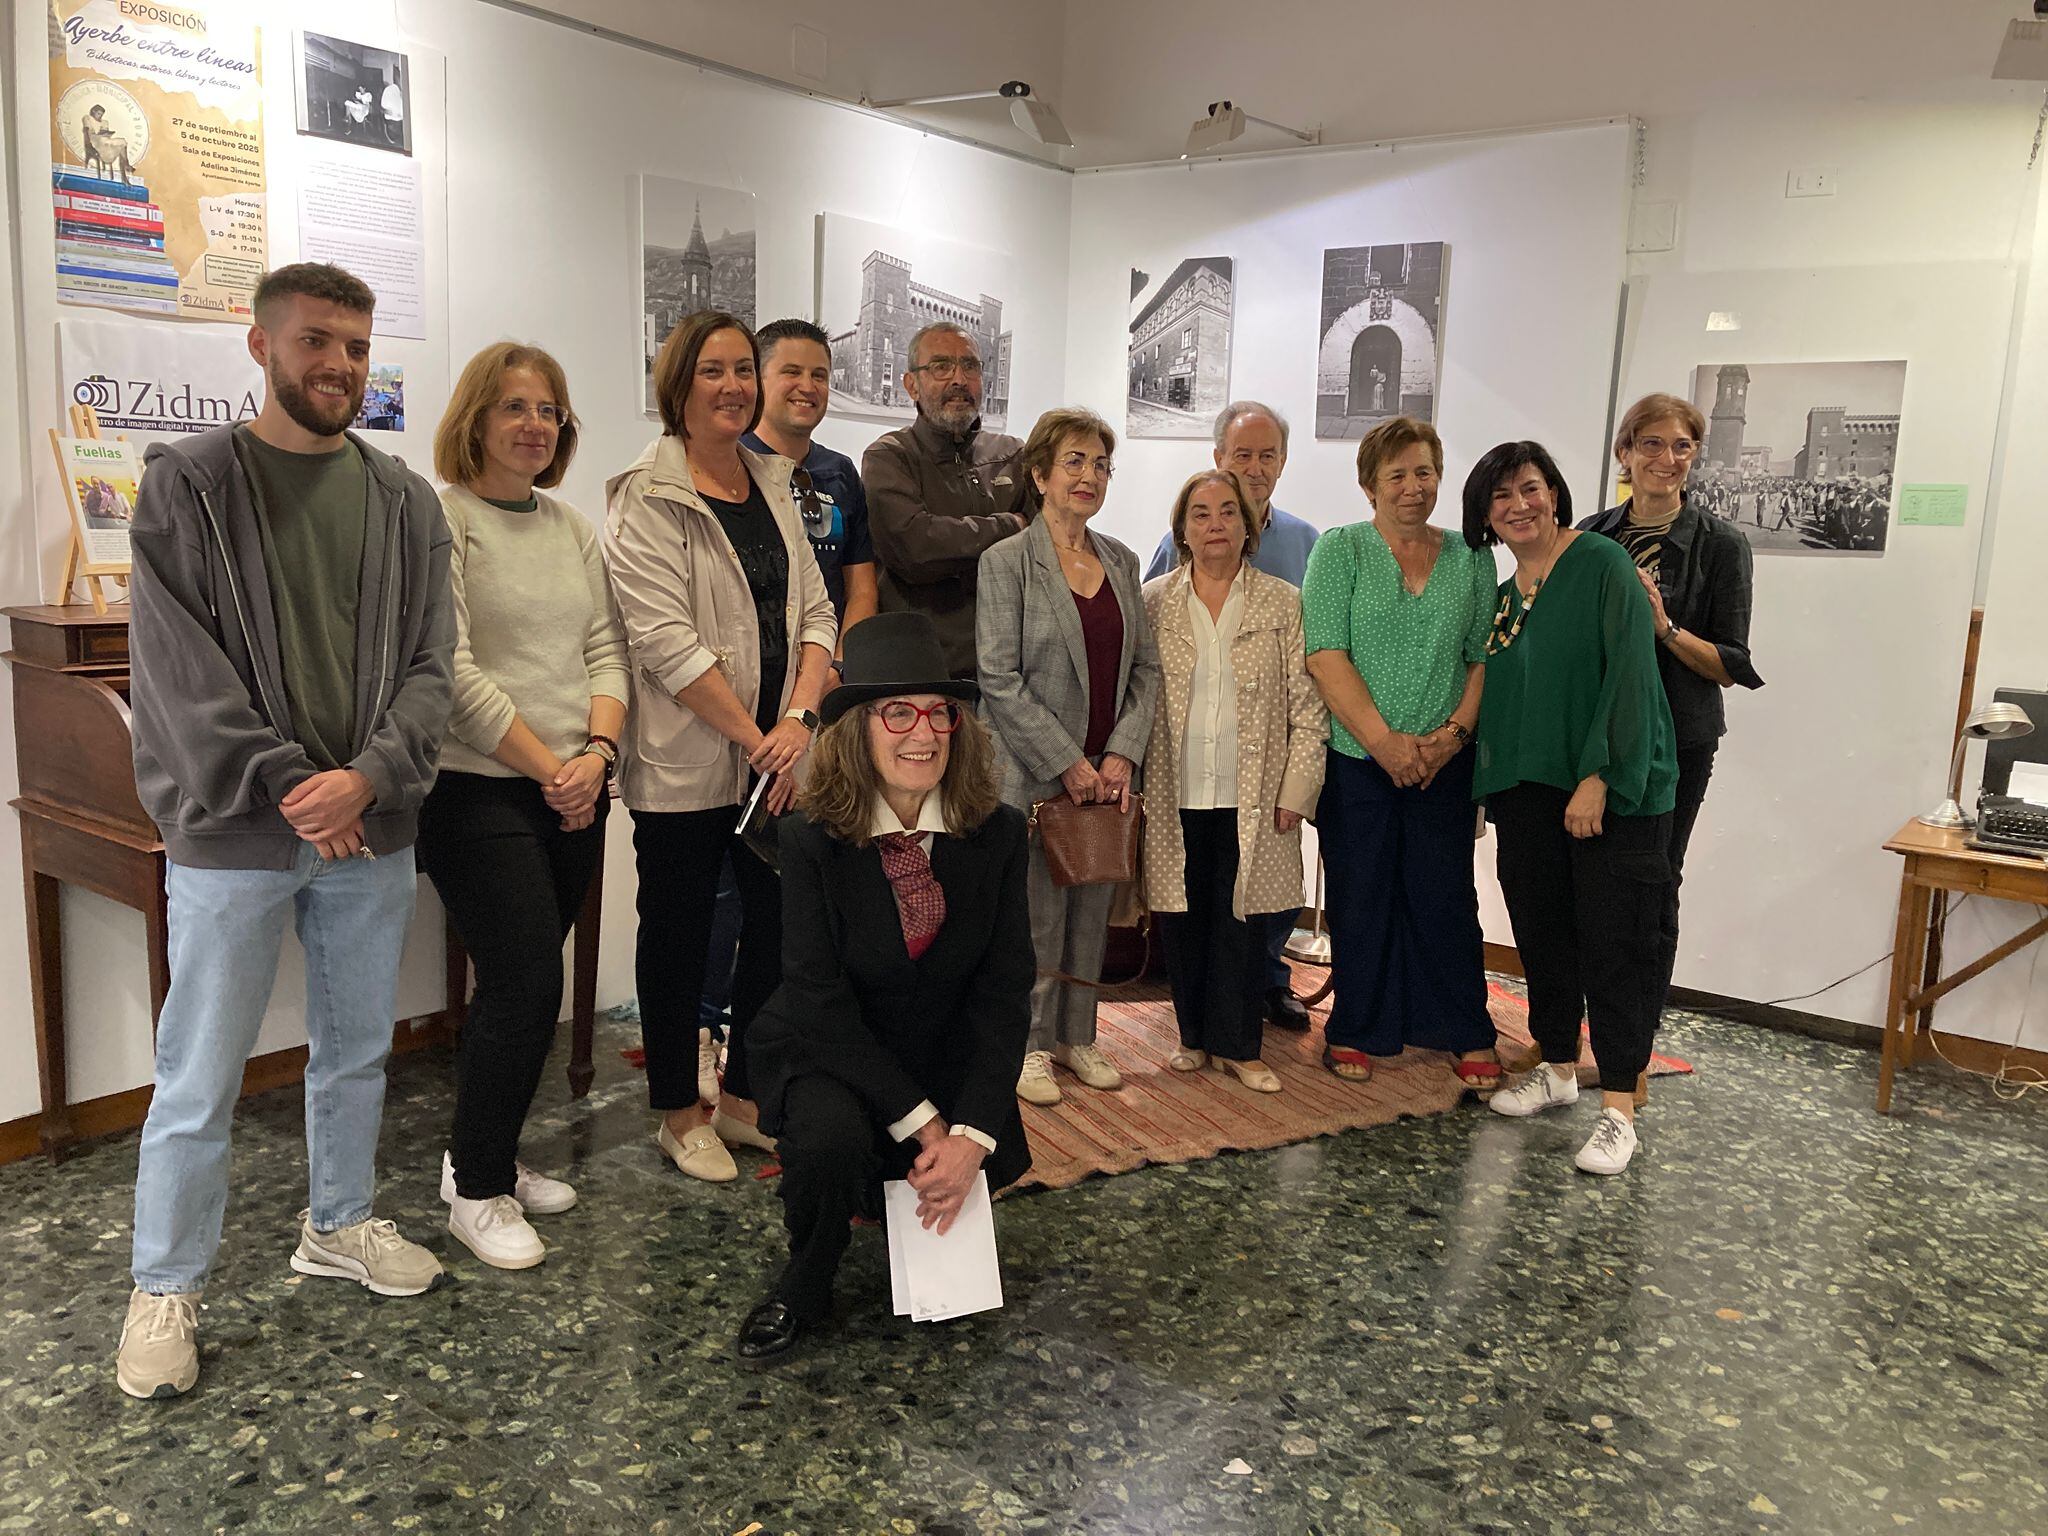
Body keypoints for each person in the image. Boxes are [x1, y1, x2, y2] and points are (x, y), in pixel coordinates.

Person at [118, 263, 453, 1399]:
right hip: (234, 837)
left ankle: (340, 1222)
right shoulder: (189, 487)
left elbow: (429, 667)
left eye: (357, 348)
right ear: (259, 346)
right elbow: (176, 672)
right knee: (197, 1076)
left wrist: (364, 780)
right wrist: (290, 786)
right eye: (317, 343)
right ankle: (164, 1285)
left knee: (357, 1049)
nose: (340, 367)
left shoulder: (407, 501)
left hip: (373, 826)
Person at [736, 612, 1032, 1365]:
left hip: (939, 1047)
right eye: (896, 712)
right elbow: (817, 997)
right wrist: (924, 1123)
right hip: (835, 1048)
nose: (922, 732)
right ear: (858, 731)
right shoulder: (809, 839)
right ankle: (805, 1279)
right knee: (830, 1139)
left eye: (939, 712)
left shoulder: (996, 833)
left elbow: (1004, 992)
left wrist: (968, 1133)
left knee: (964, 1154)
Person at [605, 311, 837, 1184]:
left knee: (781, 931)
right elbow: (664, 643)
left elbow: (817, 614)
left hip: (781, 754)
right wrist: (755, 739)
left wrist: (800, 724)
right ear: (679, 383)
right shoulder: (646, 493)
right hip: (689, 762)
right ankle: (677, 1111)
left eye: (744, 369)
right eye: (714, 370)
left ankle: (742, 1101)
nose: (734, 386)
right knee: (678, 935)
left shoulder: (775, 480)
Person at [418, 343, 628, 1269]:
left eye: (548, 409)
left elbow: (607, 652)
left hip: (574, 782)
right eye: (514, 407)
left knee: (526, 975)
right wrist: (555, 768)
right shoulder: (446, 521)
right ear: (476, 419)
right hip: (475, 789)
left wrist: (598, 755)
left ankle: (482, 1155)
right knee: (524, 984)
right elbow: (453, 672)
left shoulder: (571, 528)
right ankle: (477, 1192)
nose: (534, 424)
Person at [1464, 442, 1677, 1176]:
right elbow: (1503, 694)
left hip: (1611, 791)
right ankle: (1556, 1069)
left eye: (1529, 489)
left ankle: (1618, 1108)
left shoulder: (1602, 565)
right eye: (1501, 498)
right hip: (1528, 790)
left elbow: (1630, 672)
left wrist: (1598, 776)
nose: (1518, 506)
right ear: (1486, 515)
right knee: (1542, 934)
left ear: (1554, 492)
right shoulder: (1501, 596)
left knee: (1616, 944)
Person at [1302, 417, 1499, 1086]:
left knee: (1444, 897)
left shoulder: (1472, 557)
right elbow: (1325, 655)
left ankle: (1464, 1029)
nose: (1413, 488)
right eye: (1397, 476)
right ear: (1369, 486)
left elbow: (1482, 659)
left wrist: (1448, 740)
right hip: (1359, 760)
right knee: (1361, 897)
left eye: (1425, 472)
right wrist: (1384, 744)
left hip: (1444, 762)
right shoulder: (1341, 551)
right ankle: (1356, 1028)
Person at [977, 408, 1161, 1107]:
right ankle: (1026, 1045)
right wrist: (1067, 762)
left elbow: (1144, 671)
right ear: (1041, 474)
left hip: (1106, 774)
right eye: (1075, 461)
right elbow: (998, 676)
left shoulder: (1122, 560)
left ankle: (1076, 1037)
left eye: (1101, 464)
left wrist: (1120, 754)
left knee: (1091, 904)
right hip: (1032, 773)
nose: (1089, 476)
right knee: (1032, 916)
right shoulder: (1006, 562)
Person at [1579, 394, 1762, 1040]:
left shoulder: (1722, 546)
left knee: (1650, 888)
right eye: (1651, 444)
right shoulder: (1592, 536)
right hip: (1595, 740)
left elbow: (1731, 663)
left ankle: (1634, 1044)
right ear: (1624, 452)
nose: (1667, 458)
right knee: (1589, 888)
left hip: (1677, 742)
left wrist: (1664, 628)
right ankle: (1581, 1036)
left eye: (1681, 445)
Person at [1141, 471, 1325, 1092]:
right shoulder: (1155, 601)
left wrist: (1296, 791)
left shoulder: (1283, 601)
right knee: (1183, 918)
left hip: (1255, 796)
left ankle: (1241, 1046)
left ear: (1248, 526)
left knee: (1242, 925)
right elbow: (1136, 699)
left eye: (1227, 512)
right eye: (1200, 513)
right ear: (1182, 529)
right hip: (1175, 791)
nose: (1215, 523)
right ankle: (1194, 1037)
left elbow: (1308, 707)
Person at [863, 323, 1029, 679]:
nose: (959, 379)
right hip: (918, 672)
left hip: (1007, 671)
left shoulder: (1014, 455)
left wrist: (953, 539)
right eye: (941, 366)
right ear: (911, 385)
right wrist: (1009, 525)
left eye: (970, 366)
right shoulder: (889, 456)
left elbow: (1037, 550)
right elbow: (915, 548)